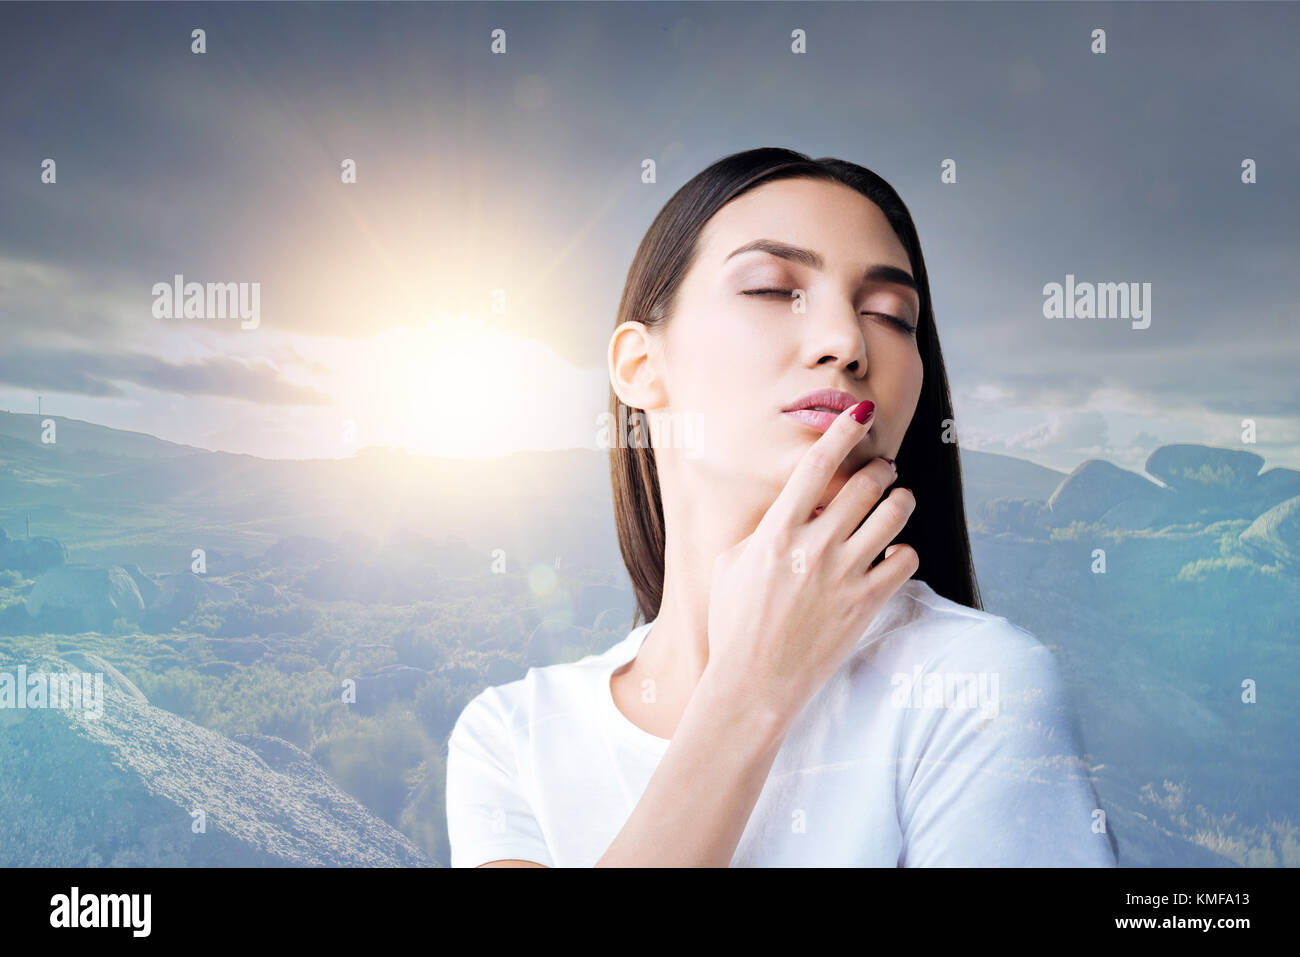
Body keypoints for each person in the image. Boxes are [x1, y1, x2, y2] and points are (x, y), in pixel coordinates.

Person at [445, 147, 1119, 867]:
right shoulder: (513, 735)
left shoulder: (977, 684)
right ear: (640, 366)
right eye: (771, 289)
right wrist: (747, 693)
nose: (846, 342)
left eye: (891, 314)